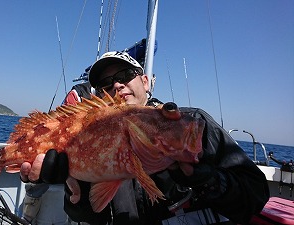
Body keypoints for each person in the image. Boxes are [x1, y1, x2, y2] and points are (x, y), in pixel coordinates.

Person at [20, 51, 270, 225]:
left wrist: (208, 180)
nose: (116, 85)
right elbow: (92, 216)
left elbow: (255, 197)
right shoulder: (87, 135)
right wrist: (78, 193)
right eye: (106, 84)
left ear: (145, 81)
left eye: (125, 74)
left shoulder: (190, 123)